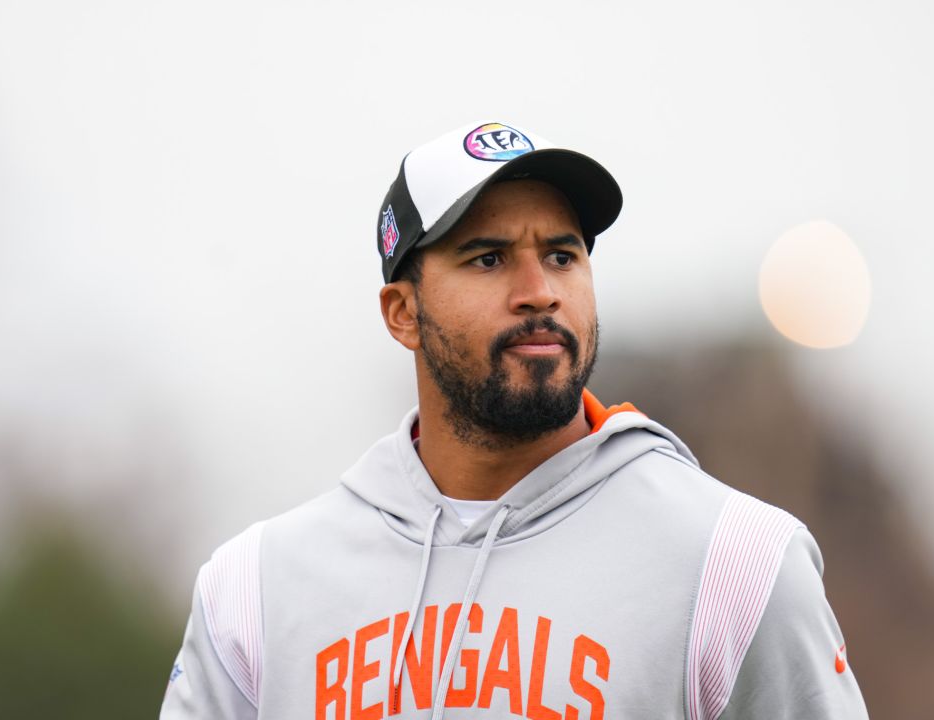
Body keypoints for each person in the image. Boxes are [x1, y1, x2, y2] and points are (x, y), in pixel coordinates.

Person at [159, 121, 869, 720]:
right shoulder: (254, 589)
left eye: (562, 255)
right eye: (489, 258)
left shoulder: (734, 563)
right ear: (403, 313)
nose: (539, 293)